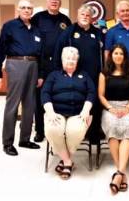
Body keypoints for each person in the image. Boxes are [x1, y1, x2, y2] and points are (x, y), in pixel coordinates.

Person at [0, 0, 41, 156]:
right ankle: (7, 143)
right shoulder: (10, 26)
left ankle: (24, 139)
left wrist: (40, 74)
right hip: (16, 64)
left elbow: (41, 53)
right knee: (13, 105)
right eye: (23, 8)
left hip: (34, 65)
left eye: (29, 8)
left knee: (30, 104)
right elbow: (0, 49)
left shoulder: (35, 28)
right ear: (18, 10)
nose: (27, 10)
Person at [41, 46, 95, 180]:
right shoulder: (54, 75)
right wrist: (50, 111)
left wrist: (86, 110)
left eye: (73, 59)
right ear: (62, 60)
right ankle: (68, 161)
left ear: (77, 61)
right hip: (56, 112)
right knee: (53, 130)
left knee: (75, 131)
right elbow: (45, 93)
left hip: (78, 113)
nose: (70, 61)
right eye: (67, 58)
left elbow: (91, 92)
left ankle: (65, 160)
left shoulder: (84, 75)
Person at [53, 3, 103, 144]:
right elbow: (58, 52)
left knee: (93, 104)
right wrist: (58, 73)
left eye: (88, 15)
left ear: (92, 18)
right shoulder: (69, 31)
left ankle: (93, 133)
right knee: (78, 102)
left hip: (93, 75)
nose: (85, 17)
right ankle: (76, 134)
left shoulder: (97, 33)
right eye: (82, 15)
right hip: (74, 76)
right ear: (77, 15)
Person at [31, 0, 72, 142]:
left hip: (59, 65)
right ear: (46, 2)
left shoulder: (65, 20)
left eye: (57, 0)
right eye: (51, 0)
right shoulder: (38, 18)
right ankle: (40, 131)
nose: (54, 2)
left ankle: (56, 129)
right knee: (39, 99)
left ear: (60, 3)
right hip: (41, 65)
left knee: (57, 97)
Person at [98, 44, 129, 194]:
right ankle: (122, 173)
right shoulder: (104, 73)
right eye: (115, 53)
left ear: (125, 56)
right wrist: (110, 108)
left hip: (128, 107)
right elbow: (101, 95)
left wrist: (127, 108)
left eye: (121, 53)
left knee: (127, 129)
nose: (118, 56)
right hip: (110, 107)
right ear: (111, 55)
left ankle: (119, 174)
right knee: (112, 127)